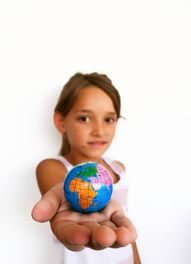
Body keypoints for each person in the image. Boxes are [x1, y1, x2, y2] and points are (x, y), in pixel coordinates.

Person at [31, 72, 141, 264]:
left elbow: (126, 229)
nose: (99, 130)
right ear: (61, 122)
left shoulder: (118, 168)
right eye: (84, 118)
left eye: (109, 119)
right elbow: (61, 189)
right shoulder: (52, 167)